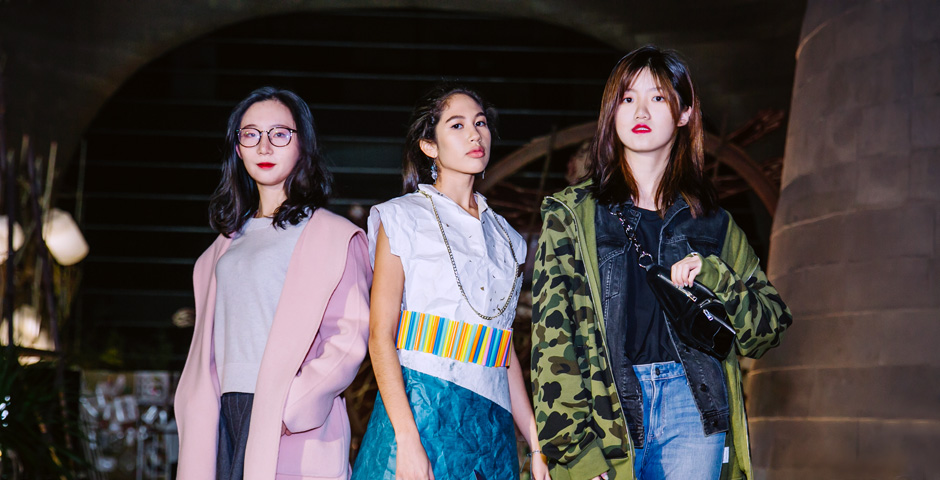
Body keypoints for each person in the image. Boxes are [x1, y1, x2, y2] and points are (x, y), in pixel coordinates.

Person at [531, 46, 792, 480]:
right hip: (608, 412)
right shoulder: (572, 215)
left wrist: (716, 275)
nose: (641, 111)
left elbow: (767, 329)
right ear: (612, 111)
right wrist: (575, 454)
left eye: (657, 97)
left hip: (694, 411)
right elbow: (553, 342)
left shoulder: (713, 222)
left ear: (685, 113)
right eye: (627, 97)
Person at [351, 85, 550, 480]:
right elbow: (380, 335)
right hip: (420, 410)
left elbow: (502, 348)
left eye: (481, 123)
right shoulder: (402, 218)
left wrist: (535, 442)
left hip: (490, 427)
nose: (475, 134)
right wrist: (406, 438)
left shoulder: (508, 238)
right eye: (457, 125)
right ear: (429, 145)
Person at [174, 86, 372, 480]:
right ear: (237, 149)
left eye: (280, 134)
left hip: (288, 417)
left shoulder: (334, 236)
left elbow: (348, 338)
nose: (264, 146)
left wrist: (290, 407)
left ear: (302, 145)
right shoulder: (224, 245)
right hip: (223, 415)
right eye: (251, 134)